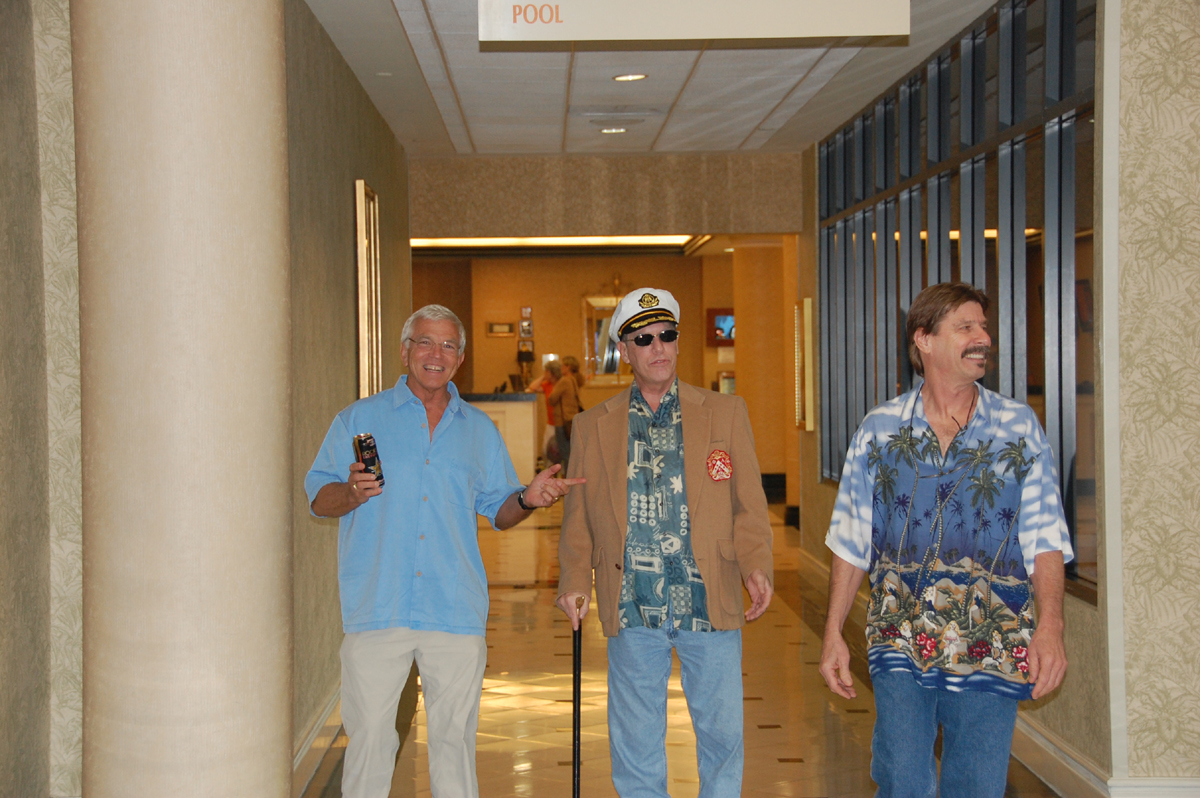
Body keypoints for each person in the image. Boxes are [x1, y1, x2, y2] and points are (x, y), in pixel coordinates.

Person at [305, 304, 584, 798]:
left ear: (460, 358)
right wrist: (350, 492)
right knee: (369, 743)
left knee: (454, 745)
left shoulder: (478, 430)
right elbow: (317, 498)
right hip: (378, 607)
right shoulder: (359, 419)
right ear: (405, 351)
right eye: (425, 342)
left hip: (454, 608)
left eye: (448, 345)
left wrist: (527, 498)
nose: (436, 354)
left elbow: (499, 509)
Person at [819, 283, 1072, 798]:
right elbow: (852, 539)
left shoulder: (1018, 427)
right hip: (899, 635)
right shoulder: (879, 430)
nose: (984, 338)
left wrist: (1051, 627)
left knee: (976, 784)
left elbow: (1044, 537)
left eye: (984, 327)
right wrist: (832, 634)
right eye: (966, 327)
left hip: (993, 637)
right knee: (902, 778)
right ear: (925, 340)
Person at [556, 287, 774, 797]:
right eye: (644, 339)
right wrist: (574, 582)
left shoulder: (725, 412)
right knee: (635, 743)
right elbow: (578, 519)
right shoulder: (591, 426)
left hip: (709, 597)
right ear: (624, 351)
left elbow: (749, 505)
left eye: (667, 335)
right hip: (632, 602)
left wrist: (756, 566)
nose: (658, 347)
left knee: (722, 738)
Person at [548, 356, 582, 472]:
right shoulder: (574, 380)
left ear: (568, 367)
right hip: (571, 420)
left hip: (562, 421)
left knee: (565, 453)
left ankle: (569, 477)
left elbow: (552, 399)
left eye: (563, 366)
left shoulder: (564, 381)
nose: (561, 368)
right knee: (571, 451)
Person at [525, 359, 563, 463]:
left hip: (561, 423)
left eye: (546, 371)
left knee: (561, 450)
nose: (545, 373)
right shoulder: (547, 385)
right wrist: (543, 377)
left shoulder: (562, 384)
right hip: (550, 423)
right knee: (546, 450)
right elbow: (532, 387)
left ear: (552, 373)